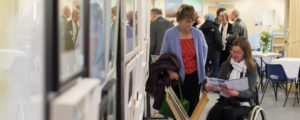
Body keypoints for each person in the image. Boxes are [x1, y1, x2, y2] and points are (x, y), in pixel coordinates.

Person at [160, 4, 208, 116]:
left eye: (191, 21)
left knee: (193, 107)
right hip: (177, 78)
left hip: (195, 76)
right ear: (179, 20)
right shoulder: (170, 34)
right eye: (187, 21)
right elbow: (163, 55)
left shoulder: (198, 33)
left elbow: (205, 48)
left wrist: (201, 63)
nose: (190, 24)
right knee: (178, 109)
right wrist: (170, 72)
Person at [205, 37, 257, 120]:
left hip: (243, 103)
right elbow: (219, 85)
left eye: (238, 52)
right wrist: (211, 87)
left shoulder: (251, 67)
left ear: (245, 53)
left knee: (229, 115)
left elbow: (251, 93)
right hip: (226, 101)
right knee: (213, 114)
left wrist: (237, 93)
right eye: (233, 51)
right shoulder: (225, 65)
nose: (235, 55)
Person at [200, 13, 223, 77]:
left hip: (204, 52)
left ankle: (203, 85)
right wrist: (220, 48)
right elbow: (218, 40)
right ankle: (214, 85)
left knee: (204, 69)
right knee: (215, 70)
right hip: (214, 53)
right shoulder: (215, 28)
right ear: (212, 19)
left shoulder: (200, 28)